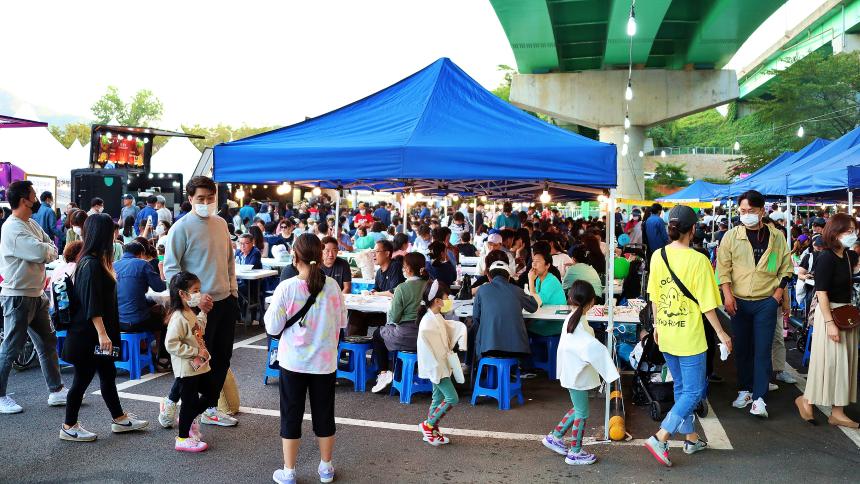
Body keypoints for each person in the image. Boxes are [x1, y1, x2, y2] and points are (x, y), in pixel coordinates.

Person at [644, 205, 732, 467]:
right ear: (693, 230)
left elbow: (654, 296)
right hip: (690, 336)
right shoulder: (699, 260)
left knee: (682, 388)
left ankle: (692, 439)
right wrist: (722, 332)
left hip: (667, 333)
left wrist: (658, 325)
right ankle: (661, 436)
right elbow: (707, 305)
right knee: (693, 392)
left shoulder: (658, 255)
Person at [264, 233, 346, 484]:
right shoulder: (332, 286)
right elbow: (343, 322)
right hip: (324, 363)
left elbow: (273, 327)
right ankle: (326, 468)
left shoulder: (286, 288)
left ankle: (289, 472)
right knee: (324, 414)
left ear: (294, 256)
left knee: (291, 414)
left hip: (293, 363)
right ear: (321, 256)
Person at [60, 213, 149, 441]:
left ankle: (120, 419)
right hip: (90, 335)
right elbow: (92, 304)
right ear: (103, 233)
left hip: (97, 334)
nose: (115, 234)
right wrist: (103, 334)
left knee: (107, 375)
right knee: (82, 379)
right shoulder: (90, 264)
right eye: (112, 230)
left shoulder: (95, 260)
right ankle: (69, 426)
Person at [161, 176, 239, 429]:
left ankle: (210, 407)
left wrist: (233, 291)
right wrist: (192, 299)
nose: (206, 203)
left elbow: (229, 261)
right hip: (196, 307)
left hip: (224, 301)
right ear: (190, 199)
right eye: (200, 199)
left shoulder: (221, 224)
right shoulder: (180, 228)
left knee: (221, 358)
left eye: (210, 198)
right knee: (197, 359)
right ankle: (172, 401)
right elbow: (171, 271)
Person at [716, 190, 791, 418]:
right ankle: (745, 390)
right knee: (742, 349)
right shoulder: (731, 236)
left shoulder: (776, 236)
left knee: (762, 350)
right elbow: (723, 269)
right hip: (738, 302)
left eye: (750, 211)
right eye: (742, 211)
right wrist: (727, 296)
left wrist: (777, 296)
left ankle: (759, 397)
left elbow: (785, 269)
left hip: (765, 302)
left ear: (761, 211)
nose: (746, 215)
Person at [0, 181, 67, 415]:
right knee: (11, 347)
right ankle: (0, 396)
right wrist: (45, 251)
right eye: (33, 195)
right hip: (18, 296)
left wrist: (45, 250)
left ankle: (56, 389)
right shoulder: (12, 228)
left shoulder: (31, 223)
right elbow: (42, 251)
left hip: (36, 294)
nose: (36, 198)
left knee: (47, 343)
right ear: (23, 200)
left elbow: (50, 246)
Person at [542, 281, 620, 465]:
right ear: (592, 302)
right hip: (576, 374)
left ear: (571, 298)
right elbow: (593, 348)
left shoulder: (571, 318)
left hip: (571, 371)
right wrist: (611, 369)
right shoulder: (580, 324)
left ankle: (556, 436)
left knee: (579, 409)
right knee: (582, 413)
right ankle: (575, 451)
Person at [796, 213, 860, 428]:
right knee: (830, 363)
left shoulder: (850, 256)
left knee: (844, 364)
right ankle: (808, 400)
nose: (853, 235)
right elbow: (821, 292)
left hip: (847, 315)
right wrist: (830, 323)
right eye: (848, 231)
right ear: (835, 232)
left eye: (854, 230)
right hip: (830, 316)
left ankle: (837, 410)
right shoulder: (826, 257)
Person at [164, 271, 217, 452]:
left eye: (199, 290)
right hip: (187, 368)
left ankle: (187, 419)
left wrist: (203, 312)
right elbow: (171, 344)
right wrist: (195, 351)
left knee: (211, 393)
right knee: (189, 402)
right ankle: (183, 437)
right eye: (195, 290)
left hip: (199, 365)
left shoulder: (189, 312)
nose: (198, 294)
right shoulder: (178, 317)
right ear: (182, 293)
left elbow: (198, 329)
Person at [416, 280, 466, 446]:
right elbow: (425, 345)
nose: (448, 300)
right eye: (446, 297)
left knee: (437, 399)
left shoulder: (435, 316)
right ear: (437, 301)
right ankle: (428, 425)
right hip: (437, 367)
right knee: (452, 398)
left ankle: (433, 431)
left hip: (441, 365)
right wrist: (434, 367)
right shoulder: (428, 322)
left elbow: (448, 328)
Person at [371, 252, 428, 393]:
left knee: (378, 334)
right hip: (427, 336)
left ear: (408, 269)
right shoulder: (430, 285)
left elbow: (395, 318)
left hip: (406, 336)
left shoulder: (402, 288)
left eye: (403, 267)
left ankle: (384, 372)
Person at [472, 251, 538, 361]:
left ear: (489, 276)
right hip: (517, 350)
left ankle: (481, 371)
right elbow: (533, 307)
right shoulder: (517, 291)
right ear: (508, 277)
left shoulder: (482, 290)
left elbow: (476, 318)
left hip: (488, 348)